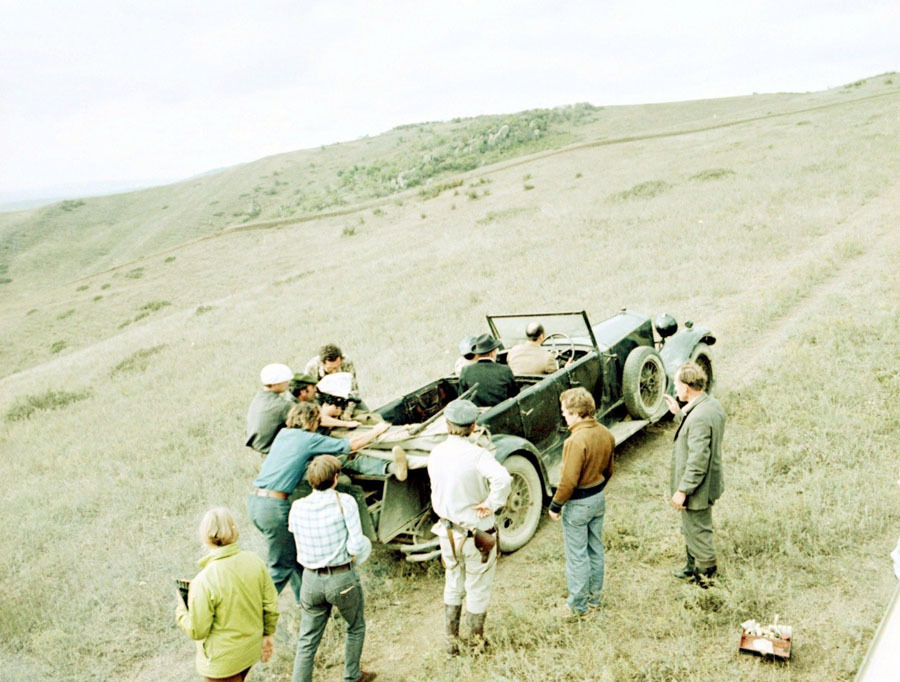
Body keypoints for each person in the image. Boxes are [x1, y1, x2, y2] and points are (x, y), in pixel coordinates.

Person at [247, 403, 389, 603]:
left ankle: (306, 603)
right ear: (312, 422)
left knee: (292, 558)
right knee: (280, 569)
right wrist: (377, 430)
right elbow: (350, 446)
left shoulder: (284, 434)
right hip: (273, 507)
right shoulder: (308, 439)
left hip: (255, 503)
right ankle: (254, 609)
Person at [427, 399, 511, 655]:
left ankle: (451, 641)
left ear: (447, 424)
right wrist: (491, 503)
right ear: (473, 426)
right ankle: (477, 643)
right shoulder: (478, 455)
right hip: (477, 532)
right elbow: (503, 478)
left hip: (448, 532)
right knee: (478, 586)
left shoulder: (436, 452)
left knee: (453, 582)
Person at [288, 455, 375, 682]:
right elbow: (356, 543)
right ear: (335, 479)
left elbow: (295, 536)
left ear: (311, 481)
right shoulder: (344, 502)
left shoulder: (297, 506)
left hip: (310, 580)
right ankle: (351, 676)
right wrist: (353, 559)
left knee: (306, 641)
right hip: (341, 577)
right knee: (355, 627)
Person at [176, 507, 279, 682]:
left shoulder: (204, 580)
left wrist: (181, 607)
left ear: (204, 536)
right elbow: (270, 605)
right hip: (249, 652)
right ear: (234, 530)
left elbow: (197, 630)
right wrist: (268, 634)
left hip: (222, 664)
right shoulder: (255, 561)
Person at [547, 387, 615, 618]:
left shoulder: (575, 441)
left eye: (565, 411)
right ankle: (594, 599)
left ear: (576, 413)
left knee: (577, 556)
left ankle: (578, 606)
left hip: (578, 504)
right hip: (598, 498)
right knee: (595, 549)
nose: (563, 415)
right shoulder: (606, 432)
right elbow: (610, 470)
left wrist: (556, 505)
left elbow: (568, 480)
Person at [664, 360, 726, 586]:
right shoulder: (710, 405)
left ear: (687, 387)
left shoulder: (699, 416)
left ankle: (705, 580)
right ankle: (692, 567)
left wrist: (683, 489)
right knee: (690, 526)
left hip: (698, 486)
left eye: (676, 384)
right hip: (708, 481)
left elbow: (698, 459)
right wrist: (679, 413)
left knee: (699, 530)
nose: (675, 389)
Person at [246, 363, 296, 455]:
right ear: (275, 384)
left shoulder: (259, 397)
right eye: (285, 381)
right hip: (270, 450)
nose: (287, 383)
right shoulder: (282, 405)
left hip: (257, 446)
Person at [458, 334, 519, 408]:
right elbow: (515, 395)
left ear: (478, 353)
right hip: (501, 414)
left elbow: (462, 398)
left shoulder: (466, 371)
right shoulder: (505, 370)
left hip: (477, 417)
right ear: (492, 353)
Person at [291, 373, 360, 429]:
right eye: (313, 387)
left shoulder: (306, 400)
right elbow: (317, 421)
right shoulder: (290, 406)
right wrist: (347, 424)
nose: (315, 390)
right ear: (303, 392)